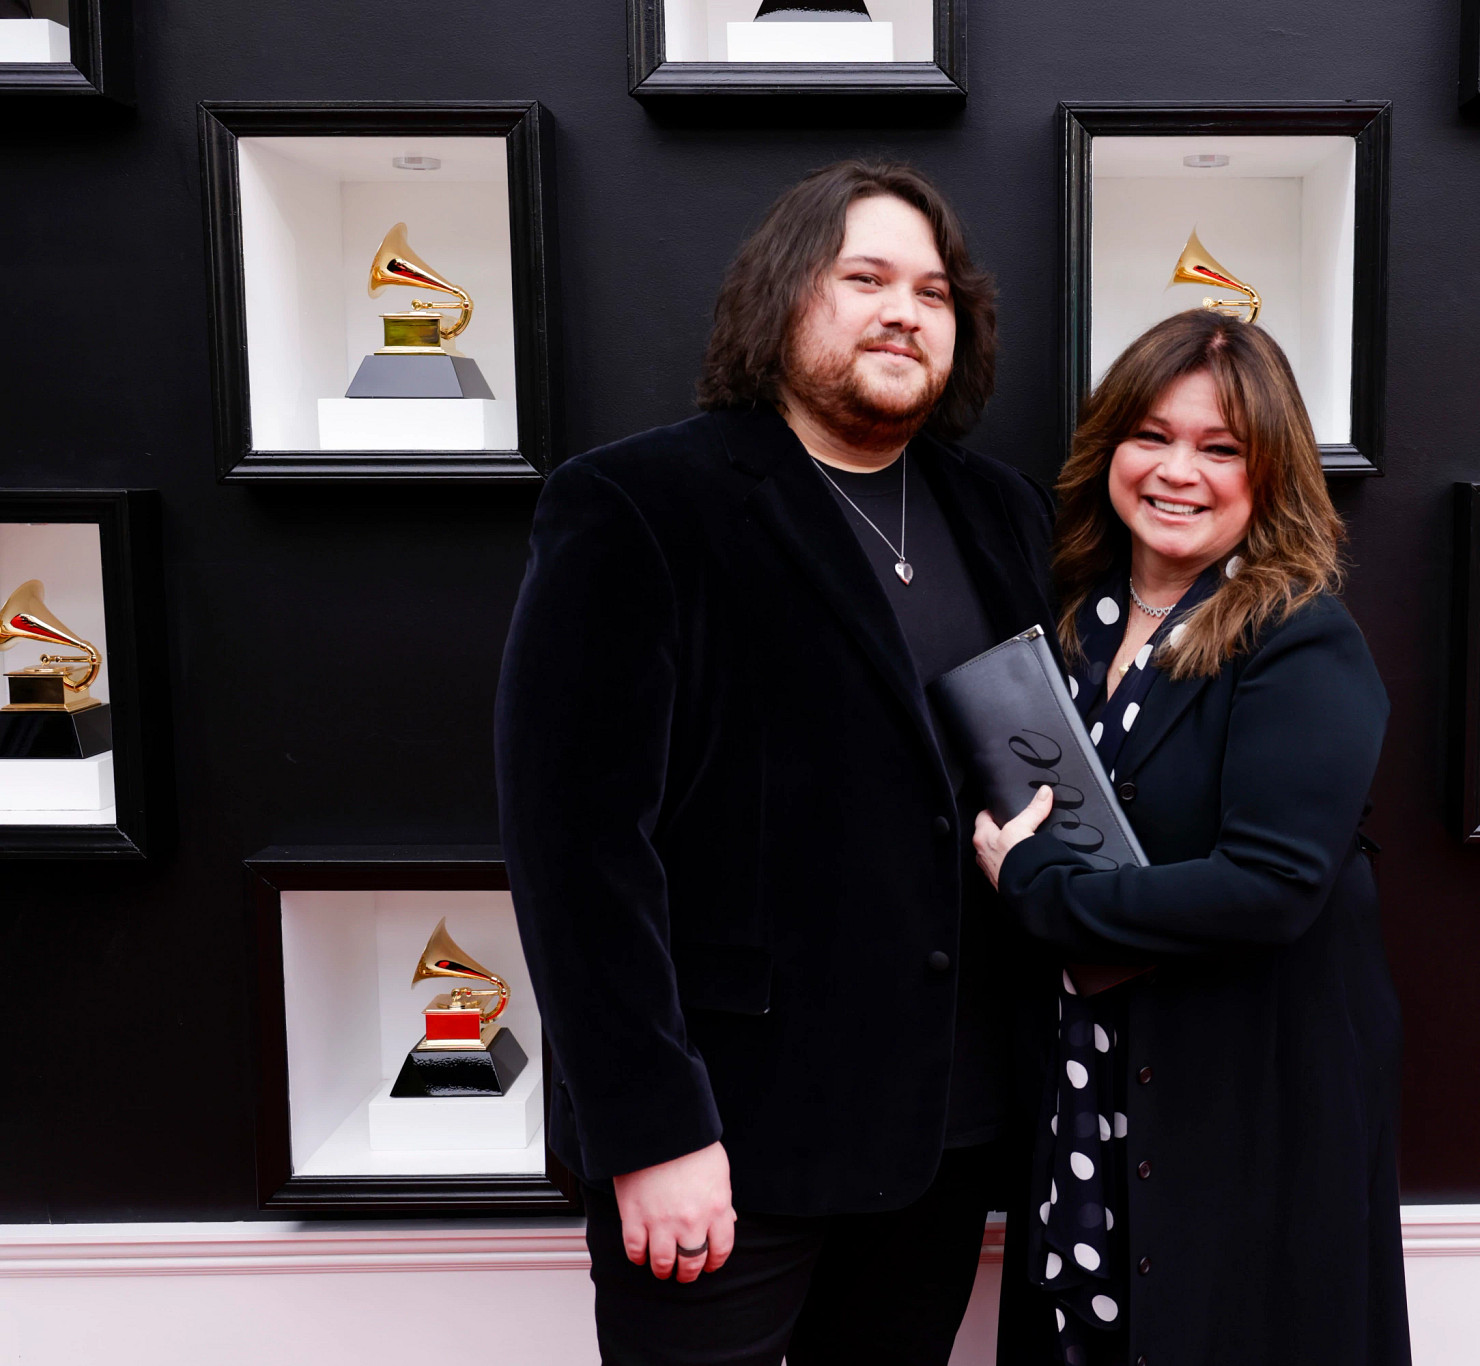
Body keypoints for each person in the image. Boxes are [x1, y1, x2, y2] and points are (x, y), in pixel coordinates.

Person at [496, 160, 1056, 1366]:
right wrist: (650, 1132)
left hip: (945, 1135)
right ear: (781, 298)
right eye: (865, 277)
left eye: (934, 289)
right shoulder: (638, 502)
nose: (904, 309)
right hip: (725, 1141)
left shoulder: (999, 511)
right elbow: (575, 852)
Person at [973, 310, 1411, 1366]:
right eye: (1151, 436)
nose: (1179, 471)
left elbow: (1267, 885)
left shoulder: (1300, 634)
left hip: (1247, 1104)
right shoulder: (1081, 620)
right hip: (1095, 1083)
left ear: (1271, 474)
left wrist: (1034, 887)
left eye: (1220, 448)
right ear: (1108, 449)